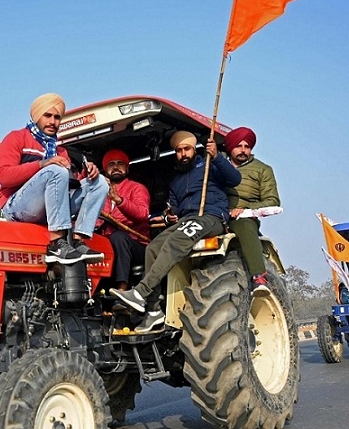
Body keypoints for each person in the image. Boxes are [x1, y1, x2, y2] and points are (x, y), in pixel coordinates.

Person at [111, 130, 241, 332]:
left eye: (186, 149)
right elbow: (176, 208)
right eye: (179, 151)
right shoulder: (176, 180)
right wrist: (170, 215)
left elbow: (234, 179)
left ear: (194, 149)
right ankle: (154, 311)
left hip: (211, 217)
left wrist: (216, 157)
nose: (183, 154)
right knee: (152, 248)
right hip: (186, 220)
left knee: (175, 241)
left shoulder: (209, 165)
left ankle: (141, 292)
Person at [0, 93, 109, 264]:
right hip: (16, 207)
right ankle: (56, 244)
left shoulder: (60, 151)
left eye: (57, 117)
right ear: (36, 116)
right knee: (56, 170)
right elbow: (4, 177)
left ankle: (79, 241)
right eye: (47, 116)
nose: (52, 122)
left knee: (99, 182)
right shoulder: (17, 138)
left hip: (49, 210)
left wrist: (88, 173)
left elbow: (66, 187)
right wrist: (43, 164)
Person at [222, 126, 279, 293]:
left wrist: (244, 208)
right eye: (239, 146)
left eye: (247, 146)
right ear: (230, 147)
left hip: (244, 218)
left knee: (245, 224)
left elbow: (272, 201)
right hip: (217, 214)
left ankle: (259, 276)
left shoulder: (263, 169)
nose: (243, 150)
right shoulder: (217, 167)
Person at [96, 148, 150, 290]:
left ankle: (122, 290)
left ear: (127, 168)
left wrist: (119, 201)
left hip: (137, 245)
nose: (116, 167)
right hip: (108, 244)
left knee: (118, 237)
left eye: (120, 163)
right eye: (111, 164)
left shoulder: (137, 188)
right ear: (105, 170)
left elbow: (142, 213)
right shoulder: (100, 192)